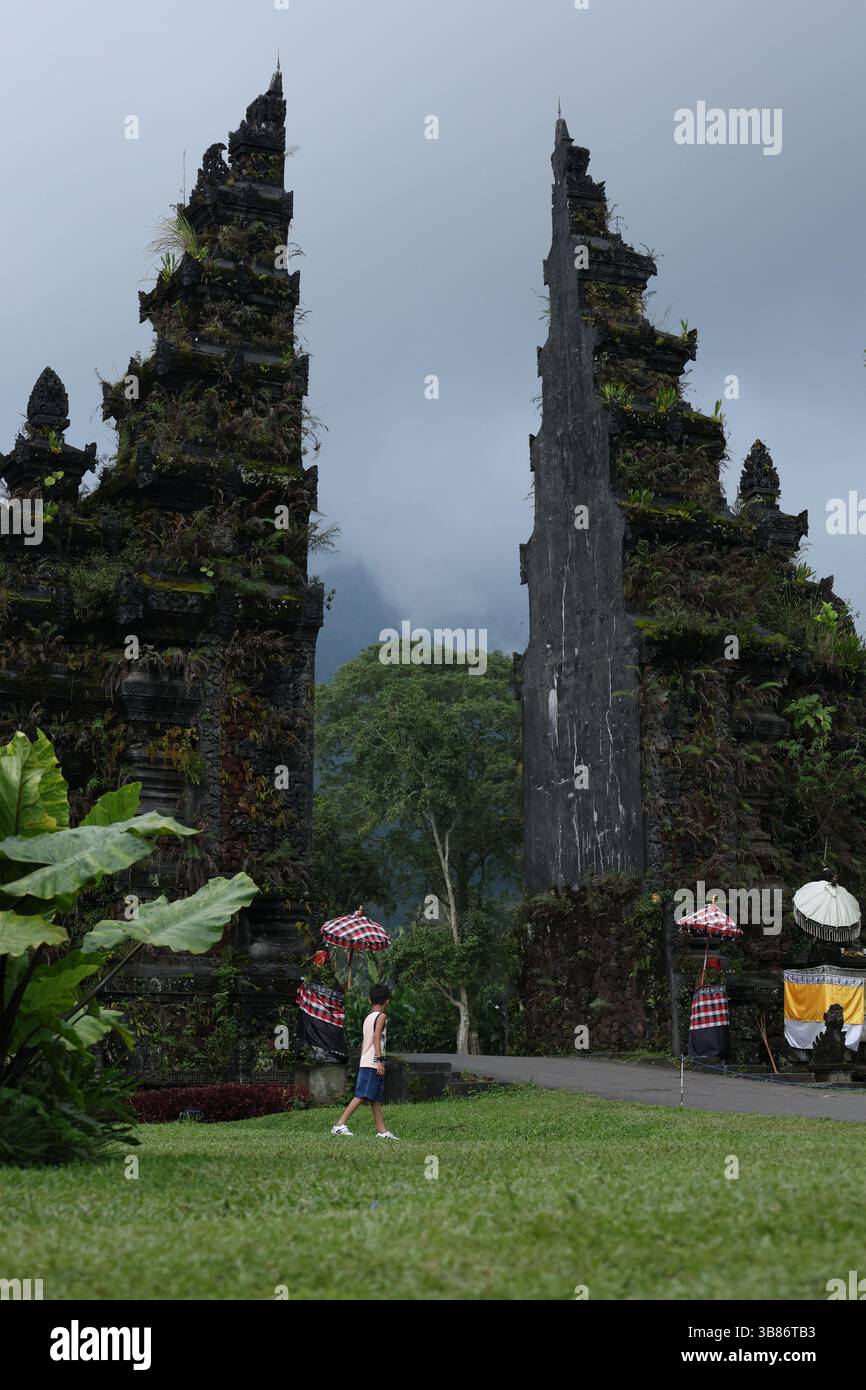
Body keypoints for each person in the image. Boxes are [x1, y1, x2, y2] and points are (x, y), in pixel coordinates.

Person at [331, 984, 398, 1138]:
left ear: (369, 1000)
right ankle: (339, 1124)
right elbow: (376, 1038)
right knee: (362, 1095)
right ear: (387, 1001)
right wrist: (380, 1061)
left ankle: (382, 1131)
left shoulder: (368, 1017)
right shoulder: (381, 1016)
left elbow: (365, 1041)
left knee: (374, 1098)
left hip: (367, 1061)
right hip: (373, 1062)